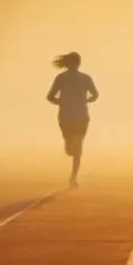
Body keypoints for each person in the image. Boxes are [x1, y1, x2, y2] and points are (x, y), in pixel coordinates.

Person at [46, 52, 98, 187]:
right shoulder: (60, 78)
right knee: (71, 150)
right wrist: (61, 102)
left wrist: (87, 100)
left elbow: (95, 94)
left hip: (81, 117)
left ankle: (73, 177)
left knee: (78, 147)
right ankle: (69, 144)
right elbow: (50, 96)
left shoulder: (86, 78)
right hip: (66, 117)